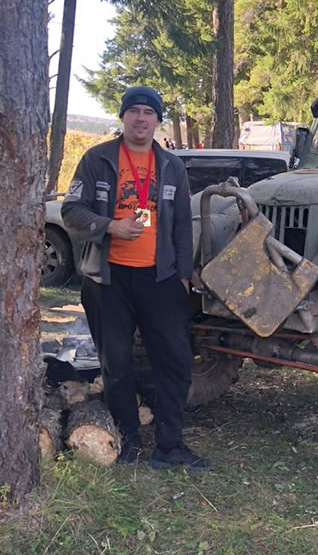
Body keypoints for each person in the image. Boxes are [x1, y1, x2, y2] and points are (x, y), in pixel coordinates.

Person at [61, 85, 210, 470]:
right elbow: (71, 211)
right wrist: (109, 226)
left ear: (157, 120)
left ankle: (170, 446)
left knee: (174, 361)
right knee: (116, 364)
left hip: (161, 281)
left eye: (148, 112)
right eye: (134, 111)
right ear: (123, 116)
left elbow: (183, 226)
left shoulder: (172, 166)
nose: (141, 118)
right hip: (107, 281)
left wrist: (183, 275)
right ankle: (127, 441)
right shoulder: (97, 159)